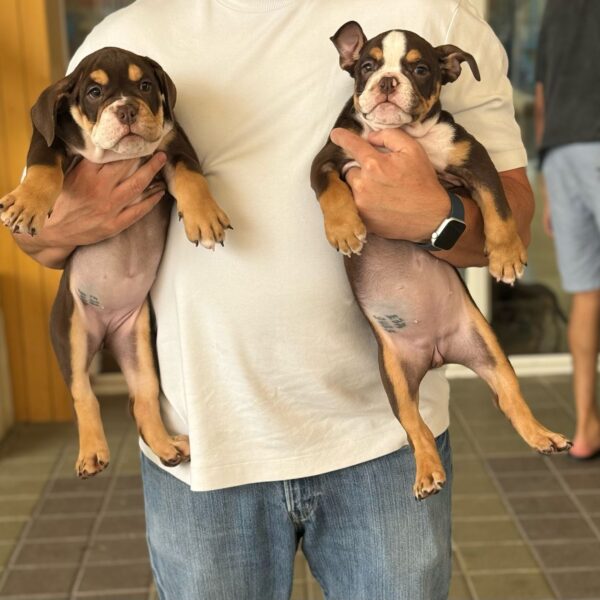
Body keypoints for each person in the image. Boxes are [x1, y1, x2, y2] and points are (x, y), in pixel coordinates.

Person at [15, 1, 532, 598]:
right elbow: (42, 244)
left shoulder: (433, 17)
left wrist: (435, 220)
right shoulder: (127, 34)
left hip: (381, 438)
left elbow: (512, 210)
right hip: (203, 441)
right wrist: (59, 227)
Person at [535, 0, 600, 461]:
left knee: (586, 292)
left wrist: (547, 186)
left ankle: (585, 427)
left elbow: (541, 97)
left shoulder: (557, 8)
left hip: (560, 154)